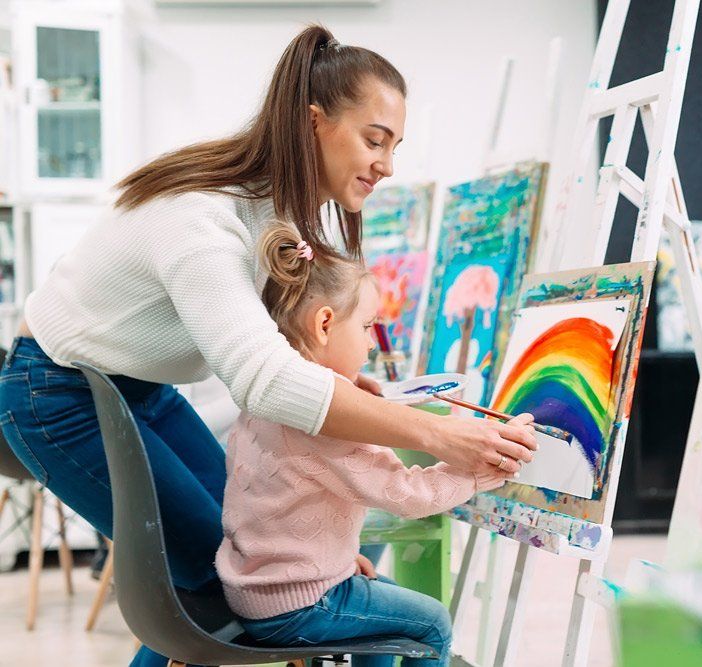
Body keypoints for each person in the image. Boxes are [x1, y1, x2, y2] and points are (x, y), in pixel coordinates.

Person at [0, 25, 535, 667]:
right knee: (213, 584)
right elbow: (265, 379)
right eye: (374, 140)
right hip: (56, 392)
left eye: (395, 146)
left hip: (137, 388)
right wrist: (440, 435)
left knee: (246, 565)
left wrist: (315, 559)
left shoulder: (275, 212)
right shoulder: (203, 221)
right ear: (314, 123)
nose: (388, 165)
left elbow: (278, 347)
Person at [220, 224, 519, 665]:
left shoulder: (267, 395)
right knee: (433, 622)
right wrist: (479, 473)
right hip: (298, 603)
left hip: (259, 588)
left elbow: (281, 508)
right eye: (366, 327)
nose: (370, 345)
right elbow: (409, 495)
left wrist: (337, 563)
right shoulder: (328, 420)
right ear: (324, 324)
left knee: (385, 615)